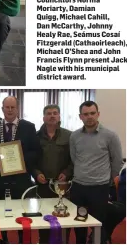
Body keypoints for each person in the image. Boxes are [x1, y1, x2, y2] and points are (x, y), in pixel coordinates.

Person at [70, 100, 123, 244]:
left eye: (92, 113)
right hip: (78, 186)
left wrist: (110, 182)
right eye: (86, 114)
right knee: (78, 222)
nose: (90, 117)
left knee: (99, 223)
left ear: (98, 114)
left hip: (99, 187)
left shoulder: (110, 136)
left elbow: (117, 161)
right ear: (80, 116)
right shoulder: (74, 136)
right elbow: (75, 158)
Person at [0, 96, 40, 243]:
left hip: (21, 180)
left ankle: (24, 241)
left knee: (22, 216)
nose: (10, 110)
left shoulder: (29, 127)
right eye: (7, 107)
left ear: (17, 108)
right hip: (0, 180)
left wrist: (21, 160)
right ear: (2, 108)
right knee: (0, 216)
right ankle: (1, 241)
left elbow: (36, 151)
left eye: (13, 107)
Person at [34, 105, 73, 244]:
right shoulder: (36, 136)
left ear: (59, 116)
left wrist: (66, 173)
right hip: (42, 186)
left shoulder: (70, 136)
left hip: (62, 186)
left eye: (55, 113)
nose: (52, 116)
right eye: (49, 113)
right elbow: (31, 161)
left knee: (64, 218)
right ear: (43, 117)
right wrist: (37, 173)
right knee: (44, 218)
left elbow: (74, 160)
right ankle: (43, 241)